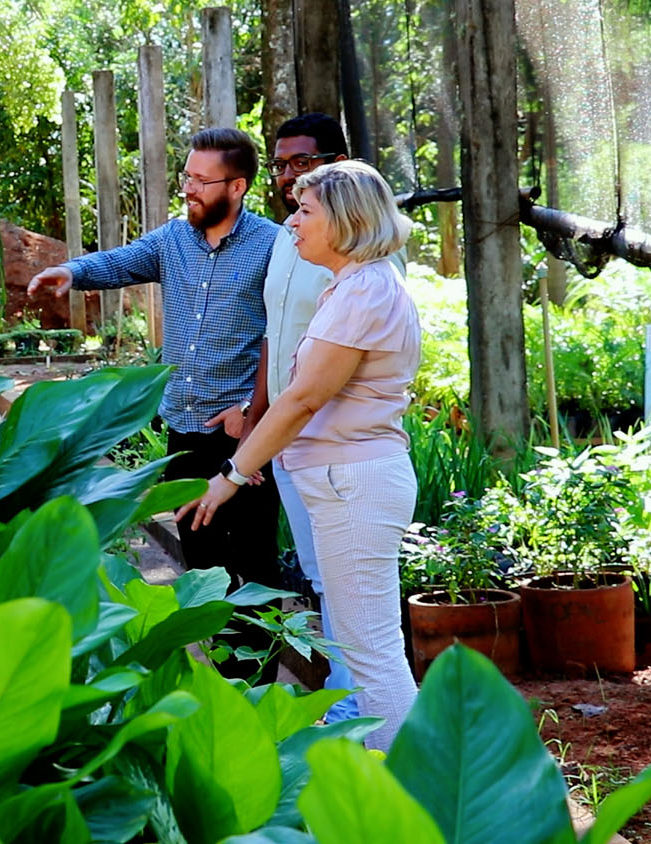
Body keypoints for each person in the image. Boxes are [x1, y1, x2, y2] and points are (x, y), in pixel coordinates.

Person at [175, 160, 421, 751]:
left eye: (305, 212)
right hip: (349, 478)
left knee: (372, 653)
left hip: (354, 482)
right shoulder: (355, 284)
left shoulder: (364, 290)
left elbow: (302, 398)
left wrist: (232, 474)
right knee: (366, 647)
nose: (292, 225)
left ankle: (408, 791)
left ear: (344, 220)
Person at [28, 128, 281, 674]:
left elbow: (283, 337)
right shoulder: (173, 240)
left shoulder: (274, 246)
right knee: (199, 560)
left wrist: (251, 414)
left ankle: (259, 685)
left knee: (253, 565)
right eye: (186, 176)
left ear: (236, 187)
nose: (188, 187)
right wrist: (71, 272)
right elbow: (120, 262)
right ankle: (224, 680)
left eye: (200, 179)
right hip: (185, 428)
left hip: (242, 434)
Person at [248, 113, 404, 721]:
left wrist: (236, 469)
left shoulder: (368, 272)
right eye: (281, 165)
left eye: (302, 167)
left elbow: (321, 384)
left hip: (342, 453)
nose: (289, 184)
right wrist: (258, 416)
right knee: (324, 583)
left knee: (368, 633)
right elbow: (278, 335)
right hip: (299, 445)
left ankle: (365, 722)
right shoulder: (294, 239)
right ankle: (353, 709)